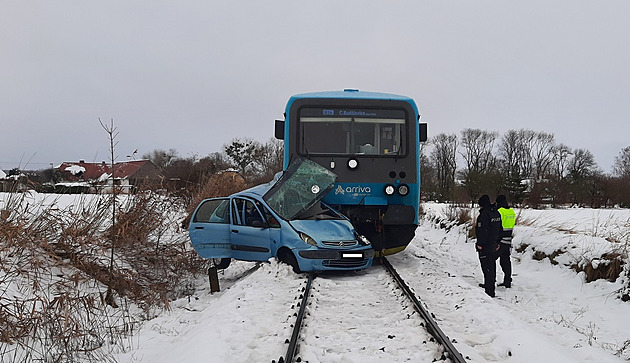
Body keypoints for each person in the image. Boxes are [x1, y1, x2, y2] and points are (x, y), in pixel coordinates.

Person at [475, 194, 502, 297]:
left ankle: (489, 290)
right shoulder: (496, 213)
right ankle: (489, 285)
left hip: (485, 245)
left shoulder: (484, 215)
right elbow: (500, 229)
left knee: (486, 267)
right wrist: (498, 242)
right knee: (491, 265)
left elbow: (482, 231)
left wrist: (480, 244)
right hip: (493, 244)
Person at [495, 195, 516, 288]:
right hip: (509, 239)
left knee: (491, 259)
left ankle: (490, 280)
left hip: (500, 240)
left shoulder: (499, 211)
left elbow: (497, 227)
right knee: (506, 261)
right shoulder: (511, 211)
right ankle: (507, 280)